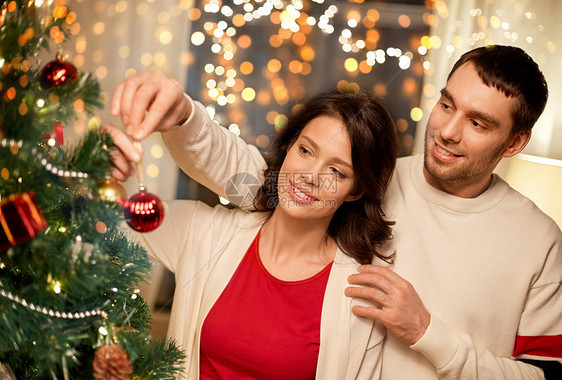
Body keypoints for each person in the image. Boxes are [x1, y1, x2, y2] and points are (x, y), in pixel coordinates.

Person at [107, 45, 562, 379]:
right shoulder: (373, 181)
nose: (448, 131)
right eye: (446, 105)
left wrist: (427, 331)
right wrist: (184, 115)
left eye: (478, 122)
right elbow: (255, 178)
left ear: (515, 142)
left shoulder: (538, 242)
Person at [115, 90, 401, 379]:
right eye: (305, 151)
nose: (310, 176)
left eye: (336, 172)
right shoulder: (207, 233)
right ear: (289, 147)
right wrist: (105, 168)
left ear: (355, 191)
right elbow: (105, 225)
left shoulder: (357, 299)